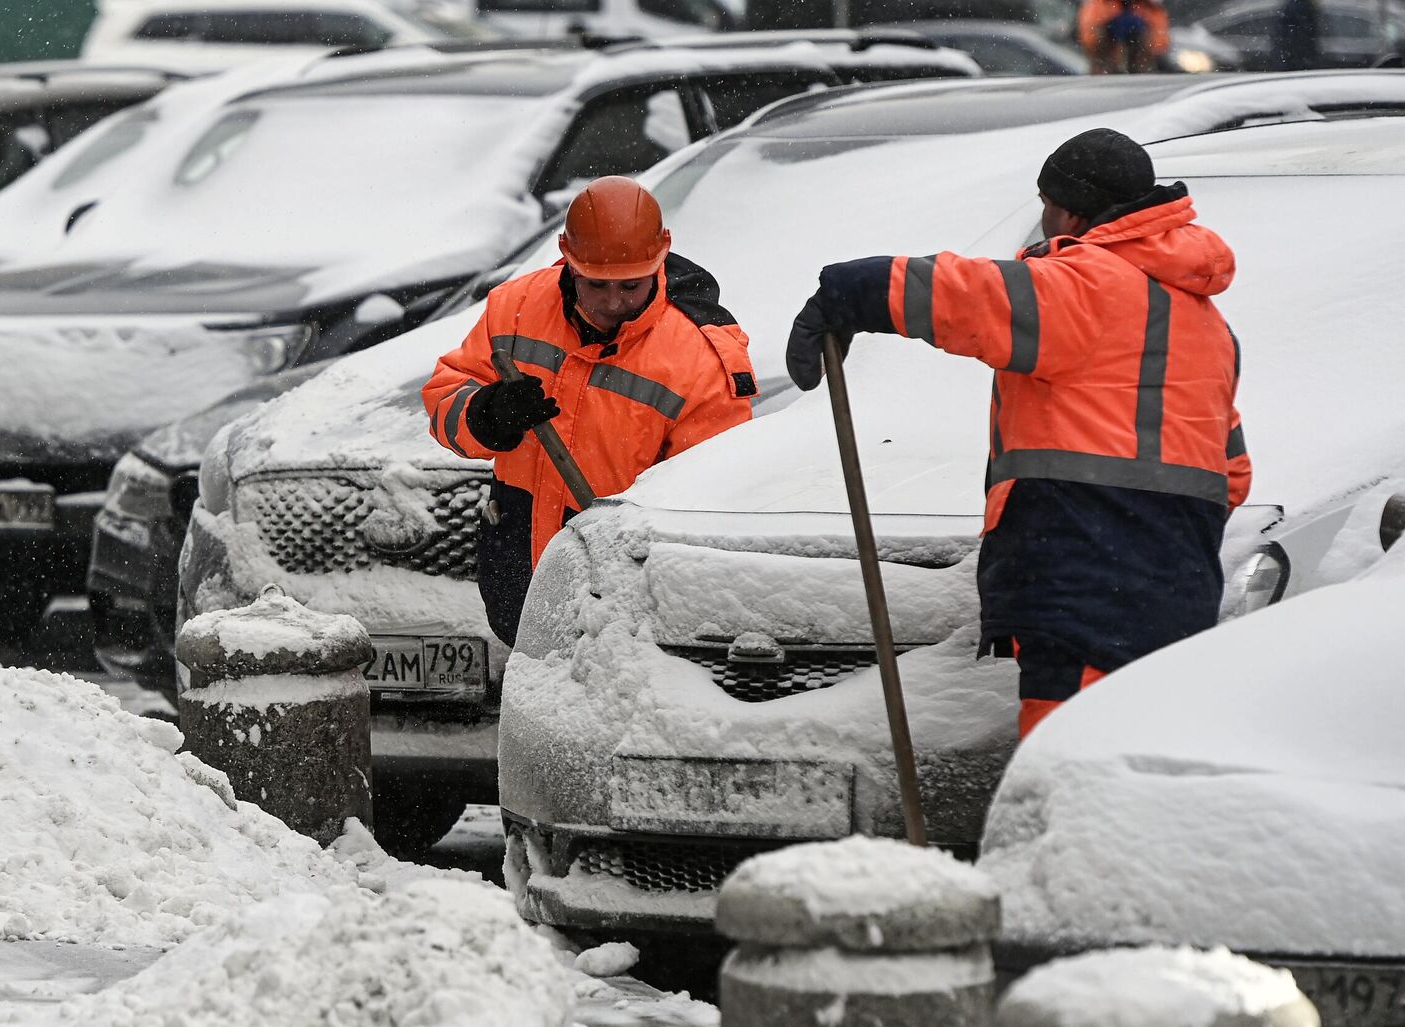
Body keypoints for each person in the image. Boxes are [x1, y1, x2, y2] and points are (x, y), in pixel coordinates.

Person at [783, 129, 1251, 738]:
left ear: (1071, 210)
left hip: (1085, 567)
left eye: (1047, 204)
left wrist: (852, 290)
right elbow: (1230, 473)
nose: (1042, 219)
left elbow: (970, 296)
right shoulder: (1202, 323)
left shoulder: (1090, 284)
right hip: (1177, 579)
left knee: (1071, 760)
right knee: (1143, 750)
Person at [422, 175, 757, 646]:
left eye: (631, 286)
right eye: (597, 285)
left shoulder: (699, 358)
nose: (613, 302)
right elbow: (445, 397)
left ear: (661, 258)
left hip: (623, 584)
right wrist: (486, 415)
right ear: (567, 258)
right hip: (517, 557)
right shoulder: (516, 306)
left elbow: (709, 501)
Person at [1077, 0, 1171, 73]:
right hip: (1110, 62)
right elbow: (1091, 37)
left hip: (1132, 64)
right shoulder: (1101, 6)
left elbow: (1159, 42)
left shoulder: (1147, 7)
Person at [1272, 0, 1322, 70]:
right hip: (1296, 60)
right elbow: (1300, 38)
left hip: (1291, 58)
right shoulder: (1302, 9)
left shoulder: (1295, 6)